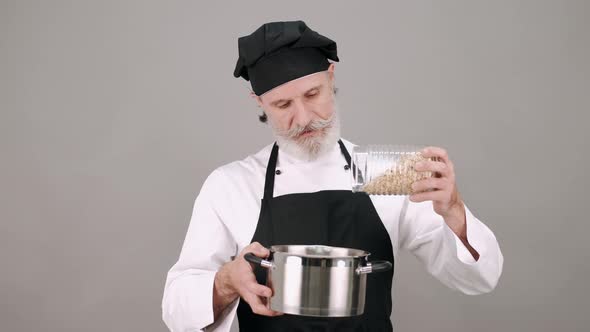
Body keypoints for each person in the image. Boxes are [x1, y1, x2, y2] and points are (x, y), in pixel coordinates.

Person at [161, 20, 503, 332]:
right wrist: (225, 282)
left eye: (313, 94)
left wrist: (454, 212)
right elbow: (175, 310)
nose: (304, 117)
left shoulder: (379, 174)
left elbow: (480, 279)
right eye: (283, 105)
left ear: (331, 78)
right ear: (259, 103)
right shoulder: (232, 185)